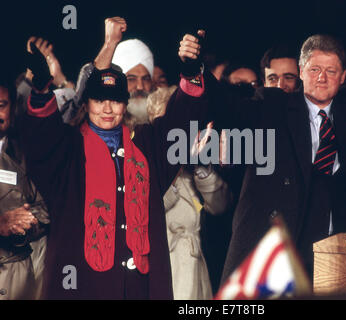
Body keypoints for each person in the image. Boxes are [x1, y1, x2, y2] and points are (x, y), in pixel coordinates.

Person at [178, 0, 346, 283]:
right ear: (301, 71)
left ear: (343, 77)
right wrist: (195, 68)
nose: (321, 78)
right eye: (315, 69)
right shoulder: (272, 105)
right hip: (273, 253)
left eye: (331, 71)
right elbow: (224, 104)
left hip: (337, 257)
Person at [20, 21, 209, 299]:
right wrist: (39, 88)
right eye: (99, 100)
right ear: (87, 103)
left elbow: (181, 121)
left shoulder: (146, 144)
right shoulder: (69, 149)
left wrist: (191, 71)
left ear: (125, 103)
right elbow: (39, 137)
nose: (107, 109)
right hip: (81, 289)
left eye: (116, 101)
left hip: (140, 289)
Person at [145, 87, 232, 299]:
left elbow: (220, 206)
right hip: (162, 264)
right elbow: (148, 208)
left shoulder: (194, 164)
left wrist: (201, 168)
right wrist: (172, 171)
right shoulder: (143, 162)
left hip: (194, 265)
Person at [0, 73, 49, 300]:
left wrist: (26, 224)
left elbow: (46, 207)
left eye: (2, 105)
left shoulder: (26, 153)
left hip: (19, 281)